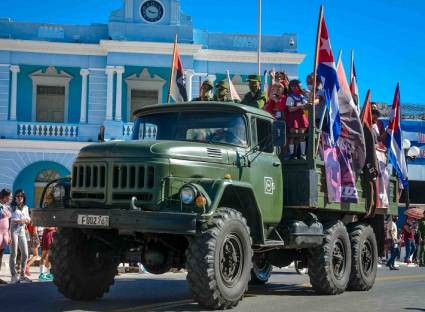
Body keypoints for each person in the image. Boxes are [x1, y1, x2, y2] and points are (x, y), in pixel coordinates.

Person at [9, 189, 32, 283]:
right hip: (14, 230)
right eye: (18, 196)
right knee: (13, 253)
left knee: (25, 253)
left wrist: (26, 220)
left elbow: (29, 219)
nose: (19, 198)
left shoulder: (26, 207)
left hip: (22, 230)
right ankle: (14, 275)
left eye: (21, 196)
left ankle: (22, 275)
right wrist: (21, 220)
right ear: (15, 197)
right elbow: (11, 220)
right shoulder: (12, 207)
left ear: (24, 197)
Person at [286, 79, 309, 159]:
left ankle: (302, 154)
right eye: (298, 86)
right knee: (292, 136)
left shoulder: (302, 96)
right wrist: (299, 106)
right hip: (294, 118)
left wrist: (306, 102)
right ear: (292, 87)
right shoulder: (290, 97)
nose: (300, 87)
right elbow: (290, 109)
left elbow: (306, 105)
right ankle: (292, 154)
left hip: (301, 118)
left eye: (300, 86)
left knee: (302, 136)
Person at [0, 189, 12, 284]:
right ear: (4, 196)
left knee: (0, 256)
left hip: (5, 234)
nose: (10, 198)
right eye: (9, 196)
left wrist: (9, 235)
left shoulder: (6, 206)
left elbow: (9, 221)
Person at [25, 211, 40, 277]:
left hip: (29, 238)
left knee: (29, 255)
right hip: (34, 237)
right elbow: (35, 232)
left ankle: (25, 268)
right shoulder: (34, 221)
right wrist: (37, 240)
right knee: (35, 255)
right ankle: (27, 266)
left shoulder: (28, 221)